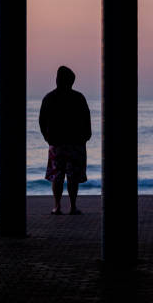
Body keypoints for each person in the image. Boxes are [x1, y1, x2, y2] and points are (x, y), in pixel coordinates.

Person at [39, 66, 91, 215]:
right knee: (73, 176)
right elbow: (86, 119)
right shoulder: (78, 97)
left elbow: (42, 121)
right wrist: (86, 137)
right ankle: (73, 206)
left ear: (57, 80)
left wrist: (48, 138)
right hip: (75, 143)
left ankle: (57, 206)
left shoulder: (49, 98)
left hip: (57, 143)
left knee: (57, 175)